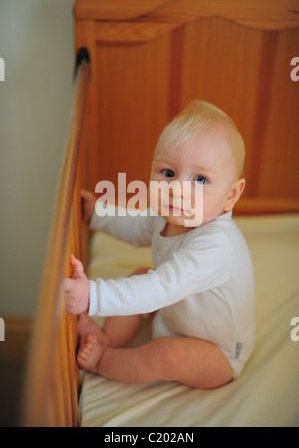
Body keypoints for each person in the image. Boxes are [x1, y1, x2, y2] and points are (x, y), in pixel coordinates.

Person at [64, 100, 255, 389]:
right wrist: (98, 214)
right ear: (152, 169)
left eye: (201, 179)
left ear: (231, 194)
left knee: (168, 355)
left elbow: (159, 288)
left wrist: (92, 296)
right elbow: (136, 226)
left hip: (219, 353)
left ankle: (104, 359)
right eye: (168, 173)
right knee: (141, 274)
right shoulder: (167, 217)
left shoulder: (216, 248)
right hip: (175, 314)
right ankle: (108, 338)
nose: (178, 189)